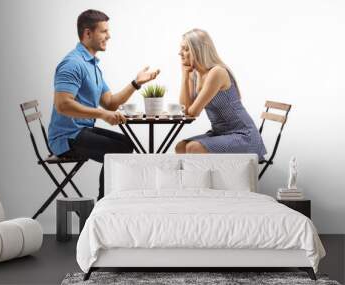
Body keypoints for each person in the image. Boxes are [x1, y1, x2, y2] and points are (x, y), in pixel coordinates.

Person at [48, 9, 160, 200]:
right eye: (104, 31)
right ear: (88, 33)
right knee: (119, 151)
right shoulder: (72, 64)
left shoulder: (92, 66)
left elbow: (110, 103)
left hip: (81, 130)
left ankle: (106, 205)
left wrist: (136, 83)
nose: (109, 36)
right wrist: (101, 115)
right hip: (66, 137)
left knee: (126, 145)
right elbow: (62, 105)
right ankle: (104, 206)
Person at [175, 28, 266, 160]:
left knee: (193, 148)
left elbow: (193, 112)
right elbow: (185, 109)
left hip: (244, 136)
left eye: (185, 49)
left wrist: (189, 108)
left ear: (198, 50)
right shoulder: (195, 74)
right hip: (220, 134)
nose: (180, 53)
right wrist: (184, 76)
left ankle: (205, 181)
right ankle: (200, 181)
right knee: (181, 147)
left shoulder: (217, 72)